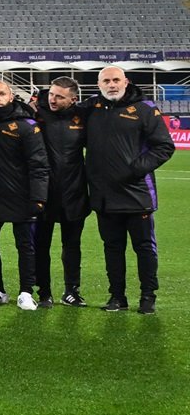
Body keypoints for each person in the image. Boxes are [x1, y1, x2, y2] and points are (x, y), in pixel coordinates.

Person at [81, 65, 174, 313]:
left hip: (136, 194)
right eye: (106, 81)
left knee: (143, 247)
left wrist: (133, 169)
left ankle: (147, 297)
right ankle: (117, 297)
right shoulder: (92, 108)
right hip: (103, 196)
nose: (111, 85)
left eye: (115, 80)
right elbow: (58, 111)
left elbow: (164, 147)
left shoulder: (145, 109)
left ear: (126, 81)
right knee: (112, 248)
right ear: (99, 85)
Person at [0, 78, 48, 310]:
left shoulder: (26, 125)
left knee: (26, 246)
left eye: (1, 94)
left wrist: (38, 197)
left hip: (22, 194)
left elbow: (39, 164)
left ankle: (26, 292)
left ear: (10, 97)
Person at [35, 77, 91, 306]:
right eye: (51, 94)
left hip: (74, 191)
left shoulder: (85, 117)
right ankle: (44, 291)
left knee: (72, 246)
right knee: (41, 245)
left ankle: (71, 291)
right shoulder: (36, 113)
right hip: (43, 192)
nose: (53, 100)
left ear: (73, 99)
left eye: (59, 96)